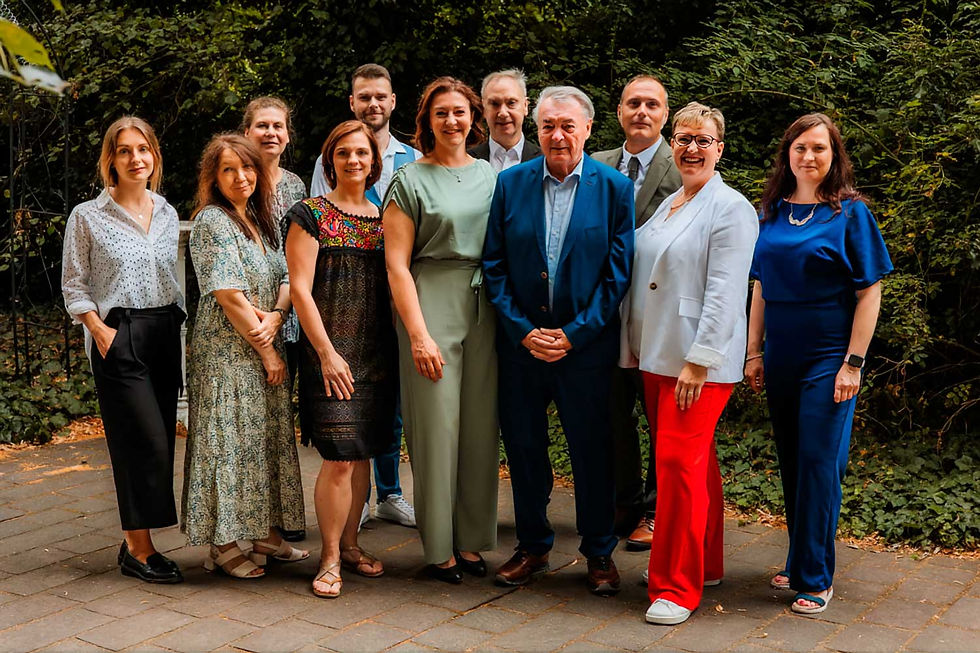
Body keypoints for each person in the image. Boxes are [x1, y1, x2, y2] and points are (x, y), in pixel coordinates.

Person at [483, 86, 634, 596]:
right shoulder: (511, 183)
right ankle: (533, 546)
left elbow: (617, 275)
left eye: (568, 125)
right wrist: (523, 331)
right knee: (524, 448)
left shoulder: (614, 188)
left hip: (585, 350)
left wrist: (574, 334)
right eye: (548, 126)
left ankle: (599, 551)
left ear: (588, 129)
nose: (558, 135)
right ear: (537, 129)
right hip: (522, 348)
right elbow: (494, 265)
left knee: (592, 451)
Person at [746, 113, 892, 616]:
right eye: (800, 148)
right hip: (781, 356)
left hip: (829, 357)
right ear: (787, 154)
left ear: (835, 156)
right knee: (792, 459)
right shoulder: (770, 212)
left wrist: (853, 363)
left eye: (819, 148)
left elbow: (870, 292)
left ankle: (816, 577)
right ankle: (799, 558)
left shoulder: (850, 214)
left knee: (819, 463)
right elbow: (760, 286)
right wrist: (754, 351)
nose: (809, 156)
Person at [621, 102, 758, 625]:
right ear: (672, 144)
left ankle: (676, 587)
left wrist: (699, 361)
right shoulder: (672, 202)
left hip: (696, 361)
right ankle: (707, 563)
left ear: (719, 148)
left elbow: (726, 292)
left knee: (677, 466)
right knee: (694, 462)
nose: (692, 148)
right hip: (657, 353)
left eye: (703, 140)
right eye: (683, 138)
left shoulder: (731, 208)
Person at [383, 76, 499, 584]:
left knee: (478, 426)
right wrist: (417, 334)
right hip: (430, 301)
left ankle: (470, 539)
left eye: (459, 111)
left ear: (473, 117)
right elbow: (396, 265)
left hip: (484, 306)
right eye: (441, 113)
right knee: (435, 428)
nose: (452, 121)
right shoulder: (408, 180)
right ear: (427, 122)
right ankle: (438, 548)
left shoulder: (490, 175)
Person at [61, 116, 185, 584]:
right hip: (118, 332)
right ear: (110, 159)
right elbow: (74, 283)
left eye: (143, 149)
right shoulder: (87, 216)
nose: (136, 158)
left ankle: (136, 537)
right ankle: (139, 549)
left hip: (163, 330)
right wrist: (99, 330)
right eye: (125, 150)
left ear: (154, 155)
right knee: (141, 440)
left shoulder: (166, 211)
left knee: (162, 440)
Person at [183, 134, 307, 579]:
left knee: (261, 442)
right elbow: (228, 295)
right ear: (214, 178)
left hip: (262, 338)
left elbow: (287, 277)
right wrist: (269, 351)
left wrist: (277, 315)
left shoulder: (258, 218)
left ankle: (262, 535)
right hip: (227, 352)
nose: (241, 177)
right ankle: (221, 545)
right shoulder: (212, 221)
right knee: (226, 443)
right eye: (229, 170)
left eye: (247, 167)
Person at [285, 120, 396, 597]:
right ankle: (329, 556)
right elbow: (300, 290)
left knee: (363, 451)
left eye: (362, 153)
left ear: (374, 162)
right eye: (344, 153)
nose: (354, 160)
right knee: (339, 459)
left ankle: (351, 546)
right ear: (330, 160)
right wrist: (327, 353)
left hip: (377, 354)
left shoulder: (386, 218)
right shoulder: (310, 214)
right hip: (330, 354)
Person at [312, 63, 418, 529]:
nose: (373, 104)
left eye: (380, 96)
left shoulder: (413, 159)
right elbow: (321, 229)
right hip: (341, 305)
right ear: (352, 102)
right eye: (364, 97)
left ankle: (390, 493)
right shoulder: (330, 159)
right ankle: (354, 508)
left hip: (392, 296)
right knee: (347, 417)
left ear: (393, 101)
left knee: (387, 407)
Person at [593, 74, 681, 547]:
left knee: (660, 418)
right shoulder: (596, 164)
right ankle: (622, 504)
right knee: (613, 416)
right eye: (633, 103)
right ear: (620, 112)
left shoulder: (682, 165)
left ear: (664, 114)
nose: (641, 112)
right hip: (605, 315)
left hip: (659, 315)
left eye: (651, 104)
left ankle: (655, 509)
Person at [242, 96, 308, 542]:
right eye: (262, 125)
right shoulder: (236, 177)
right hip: (247, 313)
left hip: (289, 313)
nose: (270, 133)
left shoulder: (296, 185)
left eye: (277, 126)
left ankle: (281, 515)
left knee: (282, 419)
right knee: (252, 419)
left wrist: (284, 311)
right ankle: (253, 516)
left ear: (287, 135)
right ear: (246, 132)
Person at [468, 69, 541, 171]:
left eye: (511, 103)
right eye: (494, 104)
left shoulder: (545, 162)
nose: (503, 113)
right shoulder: (467, 162)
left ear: (525, 106)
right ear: (483, 109)